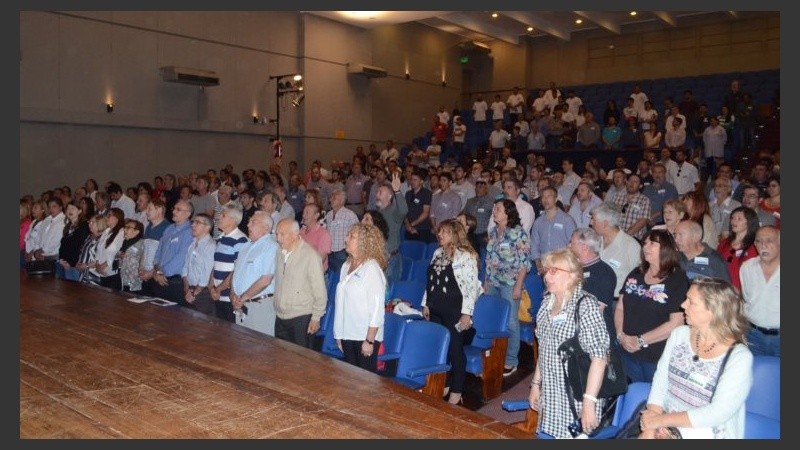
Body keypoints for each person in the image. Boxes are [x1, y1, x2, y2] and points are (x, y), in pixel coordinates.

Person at [640, 277, 753, 439]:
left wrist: (660, 421)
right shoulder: (679, 335)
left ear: (713, 311)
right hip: (663, 424)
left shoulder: (739, 358)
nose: (683, 305)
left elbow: (717, 413)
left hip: (706, 432)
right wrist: (650, 428)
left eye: (691, 302)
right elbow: (661, 380)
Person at [528, 248, 610, 439]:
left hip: (578, 397)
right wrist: (535, 384)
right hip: (552, 393)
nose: (547, 276)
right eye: (546, 270)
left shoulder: (585, 305)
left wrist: (589, 403)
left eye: (554, 271)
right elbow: (544, 349)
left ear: (573, 275)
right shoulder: (546, 303)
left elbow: (599, 358)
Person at [421, 219, 482, 405]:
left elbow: (471, 287)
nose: (440, 235)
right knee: (441, 348)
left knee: (455, 349)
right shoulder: (437, 252)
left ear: (455, 234)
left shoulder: (466, 256)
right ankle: (445, 381)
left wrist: (467, 314)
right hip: (436, 307)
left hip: (455, 308)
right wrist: (425, 303)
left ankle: (457, 389)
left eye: (445, 232)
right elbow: (431, 281)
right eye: (440, 232)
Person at [615, 229, 689, 383]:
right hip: (626, 350)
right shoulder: (636, 273)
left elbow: (676, 322)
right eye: (645, 243)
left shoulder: (677, 279)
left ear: (666, 248)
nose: (645, 247)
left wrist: (640, 341)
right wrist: (621, 335)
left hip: (655, 355)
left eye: (652, 243)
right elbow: (620, 307)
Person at [484, 199, 531, 377]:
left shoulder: (518, 234)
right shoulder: (494, 232)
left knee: (511, 321)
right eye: (494, 208)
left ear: (507, 213)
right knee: (491, 318)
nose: (494, 212)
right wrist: (486, 281)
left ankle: (511, 360)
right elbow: (489, 259)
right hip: (493, 282)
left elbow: (524, 263)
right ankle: (493, 353)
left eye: (497, 209)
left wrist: (518, 286)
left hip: (510, 283)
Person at [333, 223, 387, 373]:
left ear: (364, 242)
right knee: (350, 380)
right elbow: (341, 304)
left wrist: (369, 340)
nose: (346, 239)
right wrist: (339, 334)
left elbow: (377, 309)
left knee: (365, 385)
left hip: (364, 336)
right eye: (347, 235)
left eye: (352, 236)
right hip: (347, 333)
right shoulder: (346, 265)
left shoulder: (371, 268)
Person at [273, 218, 328, 349]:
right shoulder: (279, 252)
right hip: (281, 316)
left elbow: (320, 291)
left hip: (301, 317)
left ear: (295, 234)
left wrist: (316, 318)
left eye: (282, 234)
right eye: (276, 234)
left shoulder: (310, 256)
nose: (278, 238)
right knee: (281, 358)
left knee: (302, 361)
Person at [230, 211, 279, 337]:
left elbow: (266, 279)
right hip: (241, 304)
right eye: (249, 221)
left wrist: (243, 297)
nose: (248, 225)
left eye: (253, 222)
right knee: (240, 344)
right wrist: (233, 294)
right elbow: (235, 273)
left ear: (266, 228)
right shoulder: (245, 246)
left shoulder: (271, 247)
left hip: (259, 307)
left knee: (260, 348)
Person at [568, 228, 617, 340]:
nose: (569, 245)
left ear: (584, 248)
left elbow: (596, 310)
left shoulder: (604, 273)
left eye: (572, 243)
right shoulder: (575, 269)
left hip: (595, 336)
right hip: (576, 331)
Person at [739, 226, 780, 356]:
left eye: (769, 240)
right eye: (759, 241)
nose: (763, 245)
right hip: (753, 336)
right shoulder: (747, 268)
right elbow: (746, 299)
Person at [591, 204, 641, 297]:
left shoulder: (631, 246)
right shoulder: (594, 240)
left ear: (605, 223)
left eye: (594, 220)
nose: (591, 223)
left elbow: (639, 278)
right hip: (593, 297)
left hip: (616, 302)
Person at [181, 213, 217, 315]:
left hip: (202, 293)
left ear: (208, 227)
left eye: (197, 222)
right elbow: (185, 267)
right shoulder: (192, 244)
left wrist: (194, 292)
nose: (193, 225)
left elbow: (207, 273)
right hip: (189, 289)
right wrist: (187, 287)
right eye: (193, 222)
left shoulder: (210, 245)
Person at [717, 206, 759, 291]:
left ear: (749, 222)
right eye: (732, 218)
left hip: (744, 291)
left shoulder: (755, 246)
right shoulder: (724, 243)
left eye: (739, 219)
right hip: (723, 289)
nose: (733, 221)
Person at [55, 201, 91, 281]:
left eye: (72, 208)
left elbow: (80, 247)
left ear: (79, 211)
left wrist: (71, 263)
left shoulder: (84, 226)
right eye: (68, 208)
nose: (69, 211)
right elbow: (63, 245)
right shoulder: (68, 226)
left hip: (75, 266)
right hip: (64, 264)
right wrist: (62, 260)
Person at [299, 203, 332, 272]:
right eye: (303, 213)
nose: (303, 215)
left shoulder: (323, 234)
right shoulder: (301, 231)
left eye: (307, 213)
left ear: (316, 215)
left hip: (315, 275)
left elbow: (320, 260)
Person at [118, 219, 145, 292]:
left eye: (128, 227)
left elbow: (143, 262)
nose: (125, 229)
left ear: (136, 231)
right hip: (123, 281)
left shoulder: (141, 244)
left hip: (135, 283)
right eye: (125, 227)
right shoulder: (125, 242)